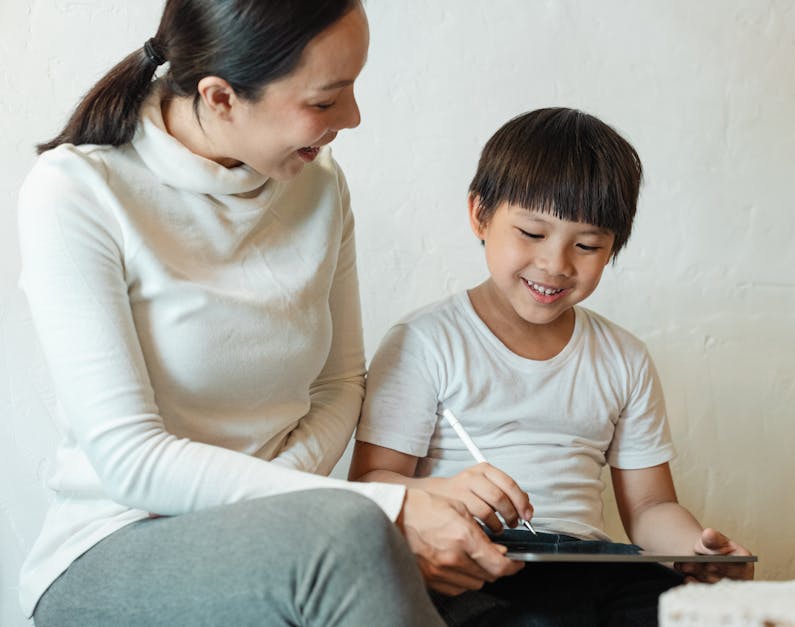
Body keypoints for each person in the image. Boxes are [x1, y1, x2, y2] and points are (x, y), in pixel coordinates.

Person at [17, 1, 520, 625]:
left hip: (291, 529)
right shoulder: (77, 191)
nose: (354, 117)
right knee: (351, 535)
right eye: (326, 98)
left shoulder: (321, 187)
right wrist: (381, 507)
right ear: (221, 96)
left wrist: (289, 503)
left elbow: (339, 386)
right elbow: (129, 458)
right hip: (114, 544)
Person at [349, 107, 755, 626]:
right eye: (532, 233)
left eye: (587, 245)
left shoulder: (623, 357)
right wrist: (439, 491)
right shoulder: (425, 342)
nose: (557, 264)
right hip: (479, 560)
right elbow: (372, 486)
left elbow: (651, 508)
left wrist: (696, 553)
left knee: (694, 615)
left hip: (589, 562)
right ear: (480, 215)